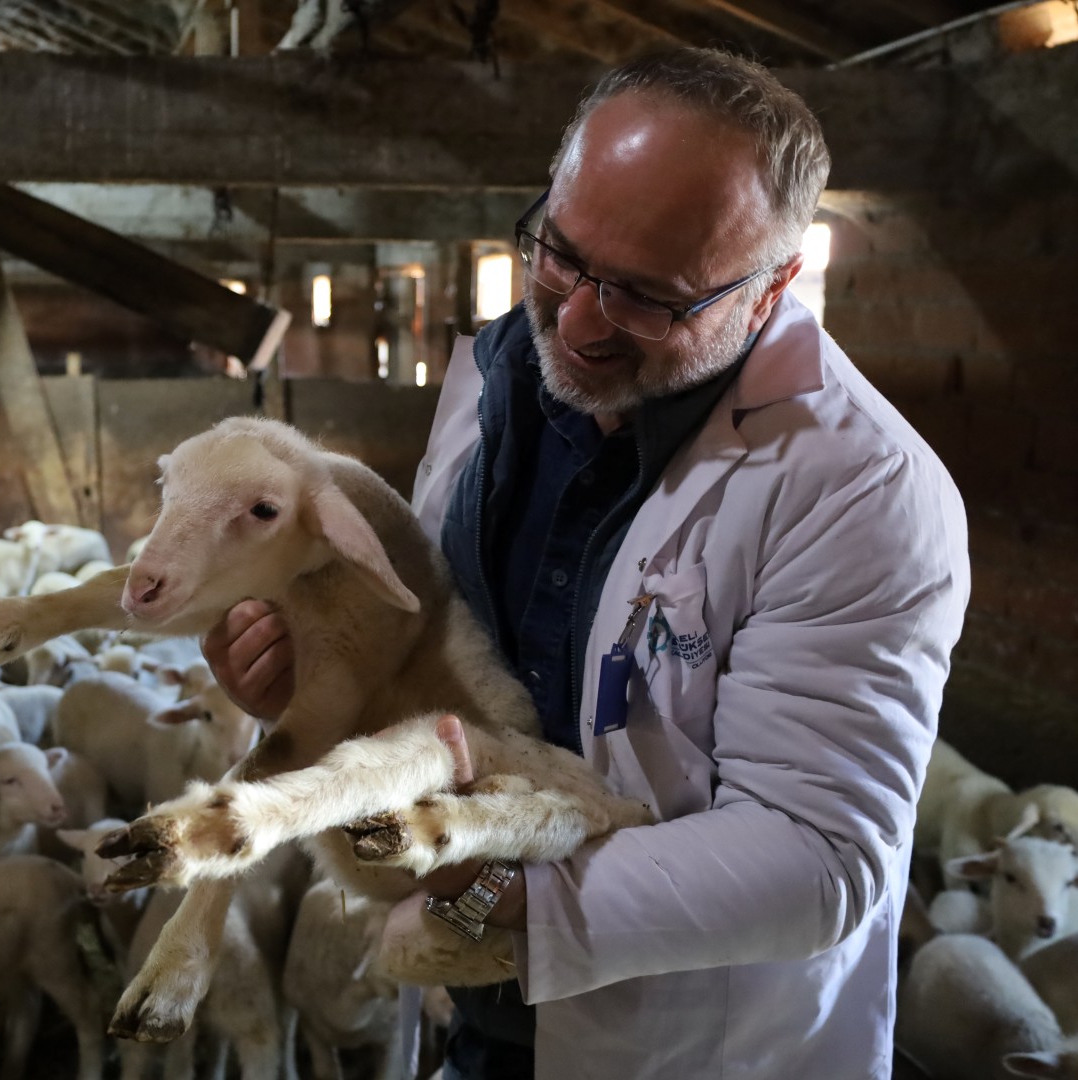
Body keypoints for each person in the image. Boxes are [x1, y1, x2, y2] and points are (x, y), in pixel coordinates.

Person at [203, 48, 970, 1080]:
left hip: (683, 1048)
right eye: (558, 254)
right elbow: (434, 650)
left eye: (649, 299)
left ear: (774, 285)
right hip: (479, 1017)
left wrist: (500, 899)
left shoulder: (857, 488)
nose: (575, 321)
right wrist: (310, 678)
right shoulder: (493, 379)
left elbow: (819, 858)